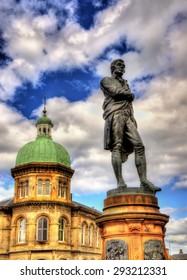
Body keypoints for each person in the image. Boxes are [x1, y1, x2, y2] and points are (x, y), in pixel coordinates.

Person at [100, 58, 161, 192]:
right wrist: (129, 94)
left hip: (127, 116)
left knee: (139, 146)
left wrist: (132, 117)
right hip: (115, 114)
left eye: (123, 66)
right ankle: (120, 182)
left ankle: (144, 181)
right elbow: (115, 92)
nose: (122, 67)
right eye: (119, 65)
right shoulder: (106, 80)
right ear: (113, 67)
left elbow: (129, 103)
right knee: (117, 146)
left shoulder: (125, 83)